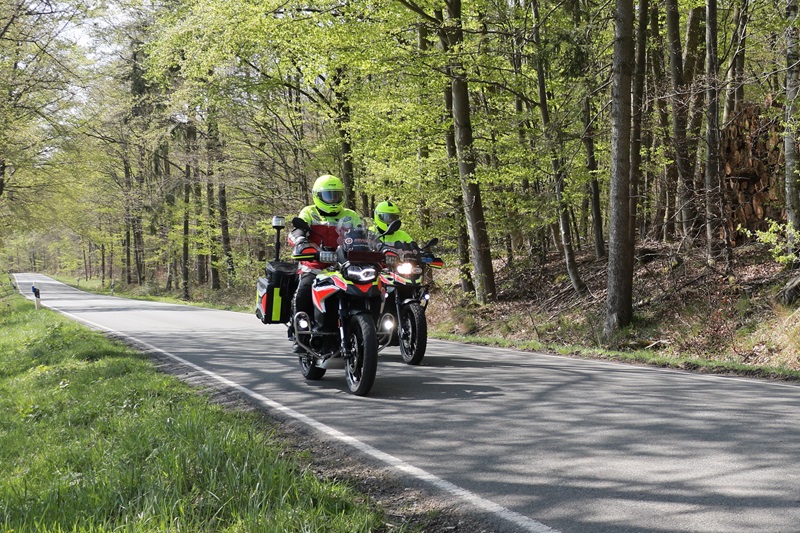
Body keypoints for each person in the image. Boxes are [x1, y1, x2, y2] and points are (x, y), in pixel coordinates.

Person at [287, 174, 362, 353]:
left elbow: (364, 235)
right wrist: (301, 243)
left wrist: (374, 247)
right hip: (314, 267)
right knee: (303, 292)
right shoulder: (309, 212)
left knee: (366, 291)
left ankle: (365, 331)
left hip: (344, 268)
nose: (333, 199)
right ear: (317, 196)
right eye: (328, 195)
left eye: (335, 195)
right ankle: (302, 335)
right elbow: (296, 232)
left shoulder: (351, 215)